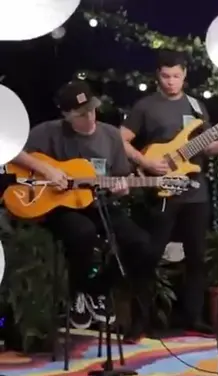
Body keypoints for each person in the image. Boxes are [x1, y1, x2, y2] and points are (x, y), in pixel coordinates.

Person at [10, 81, 157, 331]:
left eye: (92, 109)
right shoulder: (48, 131)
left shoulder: (111, 135)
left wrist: (123, 188)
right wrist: (46, 169)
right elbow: (9, 149)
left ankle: (97, 289)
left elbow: (121, 177)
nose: (89, 117)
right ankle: (77, 291)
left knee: (142, 245)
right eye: (81, 114)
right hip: (62, 206)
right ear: (66, 115)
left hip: (100, 202)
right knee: (83, 233)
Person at [120, 50, 218, 340]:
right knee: (150, 255)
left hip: (195, 191)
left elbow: (207, 147)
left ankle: (194, 317)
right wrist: (145, 161)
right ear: (158, 75)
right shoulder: (145, 106)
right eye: (166, 76)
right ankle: (140, 321)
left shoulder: (196, 106)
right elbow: (119, 138)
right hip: (162, 189)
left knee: (197, 256)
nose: (171, 81)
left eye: (176, 76)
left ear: (185, 75)